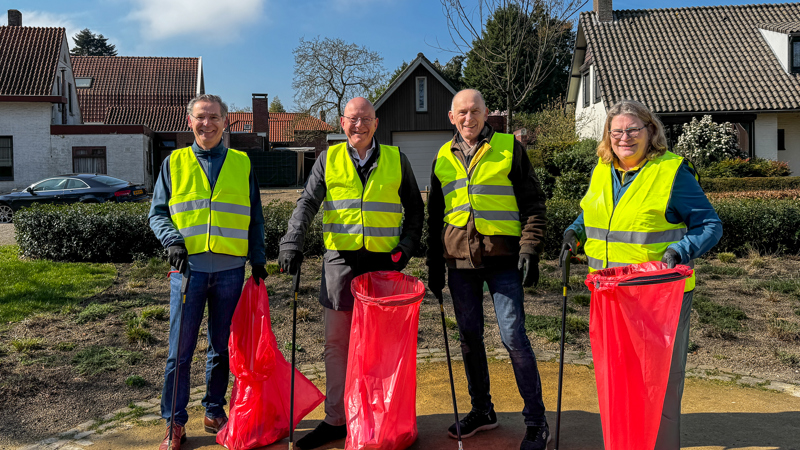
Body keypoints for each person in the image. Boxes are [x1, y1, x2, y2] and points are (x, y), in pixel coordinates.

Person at [561, 99, 722, 450]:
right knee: (617, 379)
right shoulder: (603, 167)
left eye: (633, 130)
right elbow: (593, 212)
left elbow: (710, 225)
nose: (624, 138)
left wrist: (680, 251)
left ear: (650, 131)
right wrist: (575, 231)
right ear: (608, 135)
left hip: (657, 298)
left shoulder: (672, 171)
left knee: (656, 384)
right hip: (608, 296)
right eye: (616, 131)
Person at [278, 97, 424, 450]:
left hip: (382, 266)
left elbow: (416, 209)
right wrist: (291, 241)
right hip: (340, 265)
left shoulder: (396, 159)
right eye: (352, 119)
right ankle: (336, 419)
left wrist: (405, 247)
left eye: (365, 119)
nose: (358, 125)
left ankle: (376, 416)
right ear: (341, 123)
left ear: (376, 123)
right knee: (337, 345)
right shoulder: (328, 159)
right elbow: (307, 203)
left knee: (381, 347)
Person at [427, 89, 550, 450]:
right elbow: (436, 217)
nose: (469, 118)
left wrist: (529, 248)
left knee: (513, 338)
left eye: (476, 111)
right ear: (452, 117)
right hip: (459, 263)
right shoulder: (440, 157)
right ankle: (483, 410)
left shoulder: (510, 149)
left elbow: (534, 204)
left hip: (503, 261)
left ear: (486, 114)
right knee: (469, 338)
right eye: (462, 112)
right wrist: (435, 264)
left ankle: (536, 420)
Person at [149, 94, 267, 450]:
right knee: (178, 353)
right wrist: (172, 241)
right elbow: (157, 213)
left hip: (231, 271)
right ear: (190, 121)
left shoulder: (242, 163)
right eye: (201, 117)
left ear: (225, 121)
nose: (208, 124)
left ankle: (215, 410)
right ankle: (174, 422)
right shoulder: (174, 162)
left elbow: (255, 216)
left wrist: (258, 257)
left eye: (214, 117)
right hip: (189, 272)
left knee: (222, 348)